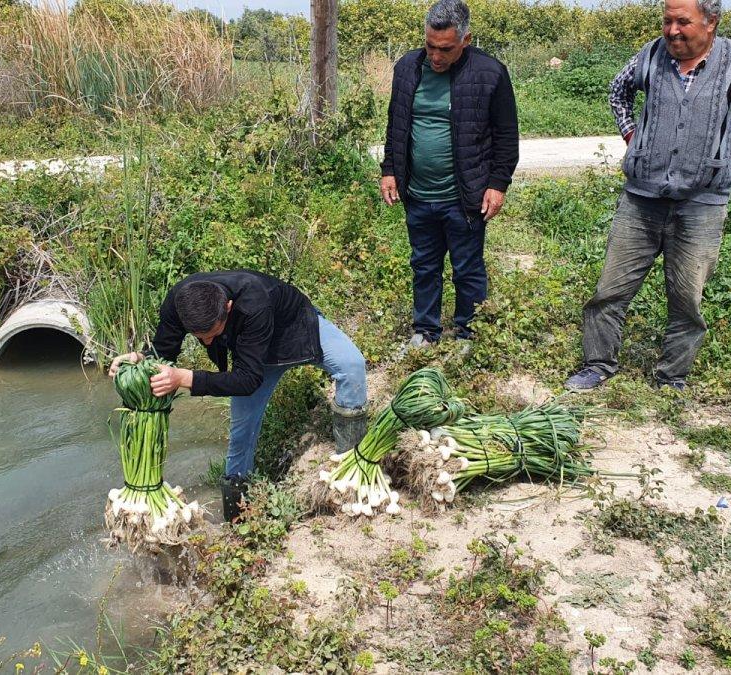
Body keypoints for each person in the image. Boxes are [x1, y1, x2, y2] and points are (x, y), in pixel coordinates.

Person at [565, 0, 731, 392]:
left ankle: (672, 375)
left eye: (682, 22)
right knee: (610, 289)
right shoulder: (651, 55)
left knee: (687, 297)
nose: (672, 30)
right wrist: (629, 134)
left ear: (710, 23)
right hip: (641, 198)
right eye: (667, 20)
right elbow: (618, 91)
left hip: (703, 204)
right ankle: (598, 363)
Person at [109, 270, 367, 521]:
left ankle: (350, 462)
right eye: (200, 338)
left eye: (212, 335)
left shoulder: (255, 300)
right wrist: (139, 359)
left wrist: (185, 378)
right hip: (252, 355)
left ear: (228, 307)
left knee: (351, 365)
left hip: (294, 328)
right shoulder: (181, 301)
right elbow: (164, 351)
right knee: (241, 435)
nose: (208, 343)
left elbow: (248, 381)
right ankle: (237, 515)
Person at [379, 0, 519, 350]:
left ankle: (468, 333)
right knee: (424, 266)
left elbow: (506, 135)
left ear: (465, 40)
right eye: (430, 46)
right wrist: (390, 170)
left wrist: (497, 185)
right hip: (418, 193)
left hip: (465, 196)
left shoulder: (490, 73)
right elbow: (396, 124)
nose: (436, 56)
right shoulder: (408, 68)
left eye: (445, 49)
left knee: (467, 268)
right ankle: (425, 331)